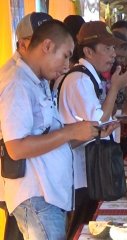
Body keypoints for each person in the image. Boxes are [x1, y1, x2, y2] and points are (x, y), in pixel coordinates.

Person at [0, 19, 111, 240]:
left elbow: (52, 137)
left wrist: (85, 132)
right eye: (66, 55)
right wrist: (70, 132)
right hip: (35, 196)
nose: (67, 65)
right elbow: (16, 148)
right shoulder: (17, 82)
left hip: (48, 194)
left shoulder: (36, 80)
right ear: (47, 46)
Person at [58, 21, 127, 239]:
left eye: (114, 48)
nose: (113, 55)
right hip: (79, 169)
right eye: (106, 49)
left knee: (87, 222)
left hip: (88, 166)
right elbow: (98, 121)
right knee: (80, 226)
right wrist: (116, 88)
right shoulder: (79, 79)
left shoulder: (89, 77)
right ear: (88, 51)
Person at [0, 12, 52, 240]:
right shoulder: (14, 78)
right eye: (40, 42)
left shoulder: (36, 74)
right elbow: (16, 145)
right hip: (18, 179)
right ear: (23, 43)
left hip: (32, 181)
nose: (47, 48)